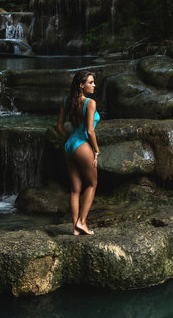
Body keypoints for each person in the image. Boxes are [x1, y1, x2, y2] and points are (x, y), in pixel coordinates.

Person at [56, 70, 100, 235]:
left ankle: (75, 227)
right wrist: (96, 150)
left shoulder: (67, 101)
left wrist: (69, 139)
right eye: (91, 82)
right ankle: (82, 222)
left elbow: (58, 127)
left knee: (75, 189)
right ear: (81, 85)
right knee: (92, 184)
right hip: (82, 145)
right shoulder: (90, 103)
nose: (94, 85)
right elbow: (89, 131)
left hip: (69, 146)